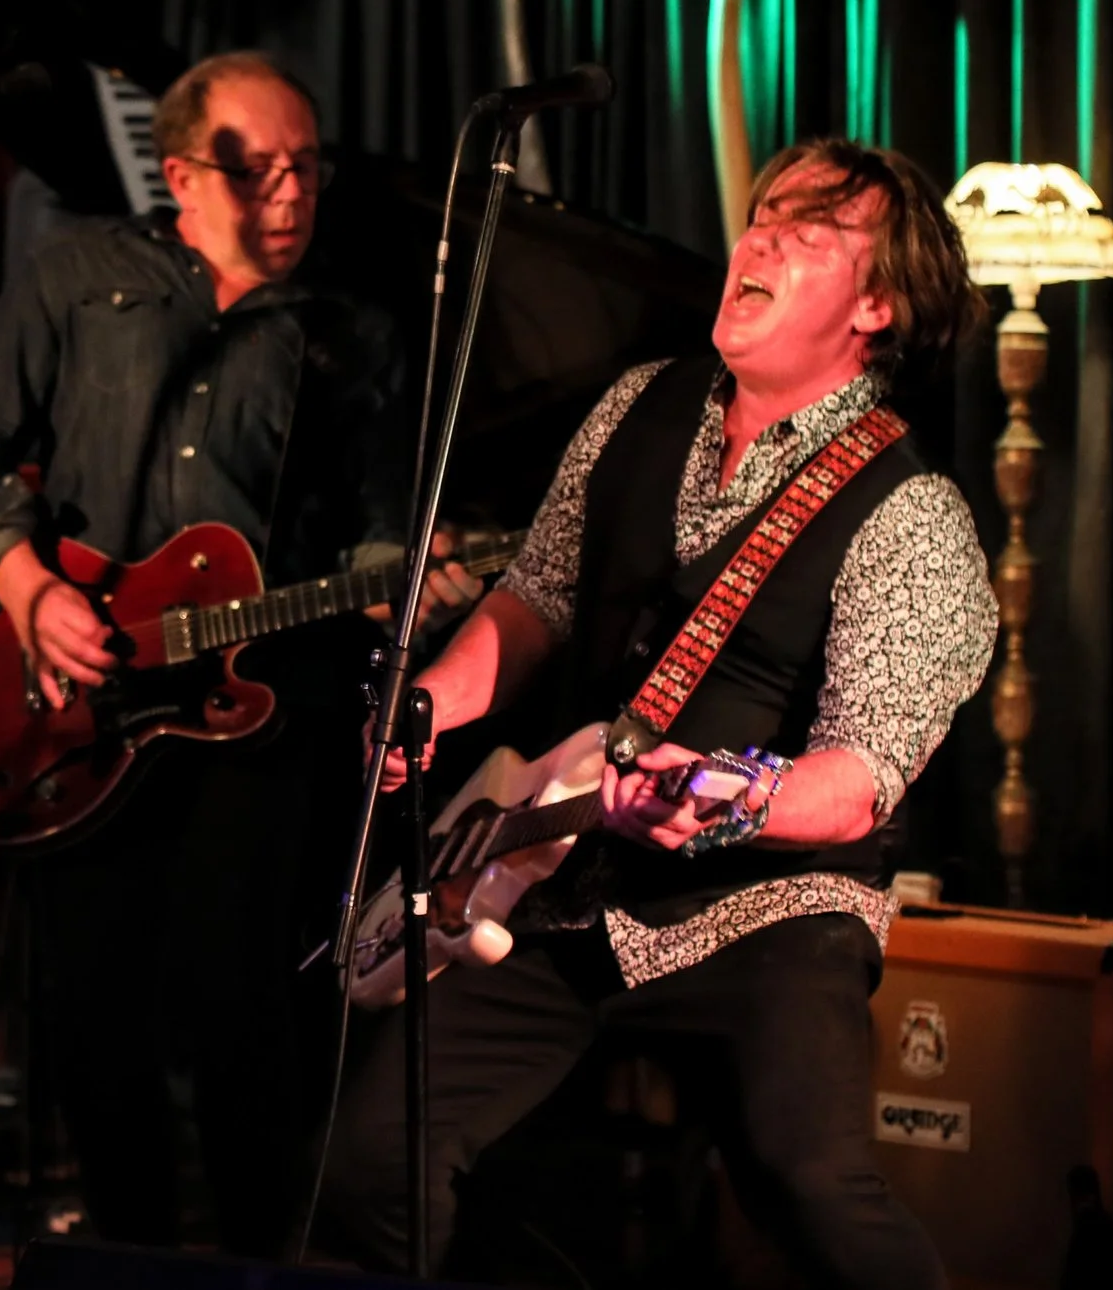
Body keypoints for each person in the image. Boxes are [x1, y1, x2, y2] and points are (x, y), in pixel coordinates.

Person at [322, 138, 997, 1290]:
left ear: (876, 305)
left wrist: (736, 800)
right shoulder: (641, 401)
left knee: (807, 1181)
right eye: (765, 214)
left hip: (766, 900)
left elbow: (855, 781)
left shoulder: (913, 516)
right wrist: (430, 700)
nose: (765, 236)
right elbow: (534, 597)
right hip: (564, 863)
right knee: (372, 1163)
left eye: (813, 230)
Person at [0, 51, 474, 1256]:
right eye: (258, 167)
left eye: (307, 167)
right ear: (180, 172)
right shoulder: (78, 279)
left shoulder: (350, 331)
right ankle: (124, 1257)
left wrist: (403, 584)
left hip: (253, 709)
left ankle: (254, 1261)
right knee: (93, 1012)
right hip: (79, 706)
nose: (291, 191)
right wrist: (24, 586)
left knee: (243, 1008)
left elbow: (383, 513)